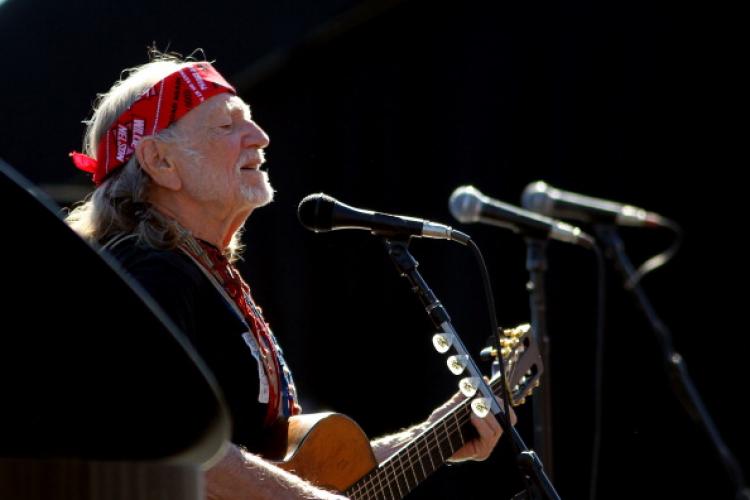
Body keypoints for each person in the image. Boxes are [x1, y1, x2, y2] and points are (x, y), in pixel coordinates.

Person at [65, 51, 511, 499]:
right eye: (226, 125)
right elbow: (166, 438)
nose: (259, 137)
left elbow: (288, 473)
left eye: (251, 121)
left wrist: (431, 438)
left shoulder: (194, 269)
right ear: (161, 161)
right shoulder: (149, 268)